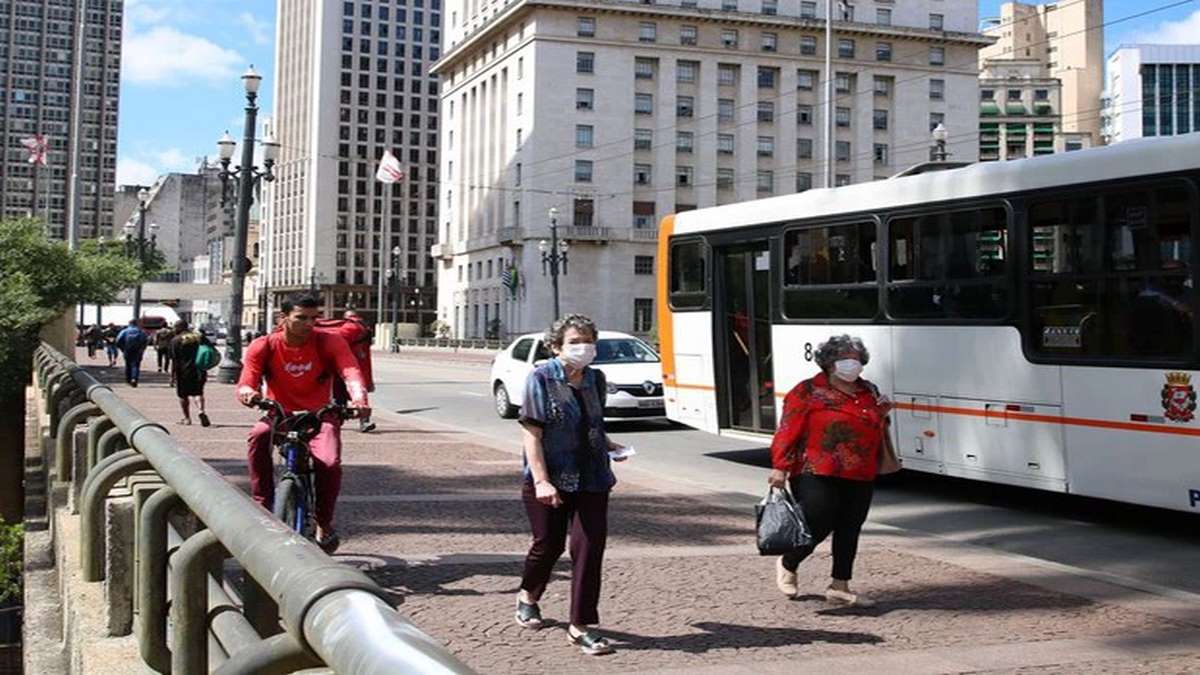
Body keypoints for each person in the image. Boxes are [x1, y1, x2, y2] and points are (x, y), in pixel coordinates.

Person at [514, 314, 629, 656]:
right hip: (551, 478)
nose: (584, 348)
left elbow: (593, 426)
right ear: (556, 347)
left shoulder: (595, 378)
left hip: (593, 477)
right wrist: (542, 481)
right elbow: (531, 434)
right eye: (575, 342)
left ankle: (581, 627)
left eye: (589, 341)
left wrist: (613, 447)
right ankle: (528, 596)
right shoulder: (541, 377)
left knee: (589, 550)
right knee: (548, 546)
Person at [235, 292, 370, 554]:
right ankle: (262, 506)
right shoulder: (264, 345)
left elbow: (350, 370)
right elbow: (247, 379)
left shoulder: (329, 342)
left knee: (329, 462)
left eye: (313, 318)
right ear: (283, 318)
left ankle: (324, 523)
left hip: (320, 416)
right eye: (301, 318)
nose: (309, 324)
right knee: (258, 436)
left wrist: (358, 399)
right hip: (279, 414)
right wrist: (247, 393)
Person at [767, 334, 892, 607]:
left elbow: (874, 425)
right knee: (817, 521)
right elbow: (788, 430)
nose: (852, 364)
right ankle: (789, 561)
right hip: (815, 467)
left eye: (857, 359)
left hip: (859, 470)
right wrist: (780, 467)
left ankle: (840, 585)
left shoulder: (868, 390)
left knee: (850, 526)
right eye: (845, 358)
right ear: (829, 363)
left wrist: (883, 413)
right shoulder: (807, 391)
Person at [331, 310, 377, 433]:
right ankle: (363, 421)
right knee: (358, 394)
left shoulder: (351, 327)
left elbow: (335, 339)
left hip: (345, 366)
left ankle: (337, 420)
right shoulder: (364, 328)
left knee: (339, 394)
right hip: (358, 365)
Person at [169, 320, 212, 427]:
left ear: (178, 328)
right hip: (199, 369)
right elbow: (210, 348)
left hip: (183, 371)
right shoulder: (198, 337)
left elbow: (174, 360)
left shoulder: (176, 340)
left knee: (183, 395)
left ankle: (187, 418)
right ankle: (201, 411)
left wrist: (172, 375)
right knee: (198, 392)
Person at [114, 320, 149, 387]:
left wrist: (122, 348)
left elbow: (118, 340)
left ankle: (128, 380)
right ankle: (134, 379)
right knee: (135, 365)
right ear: (136, 324)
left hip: (127, 350)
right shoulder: (140, 331)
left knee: (128, 365)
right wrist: (142, 349)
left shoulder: (125, 331)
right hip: (137, 351)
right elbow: (145, 341)